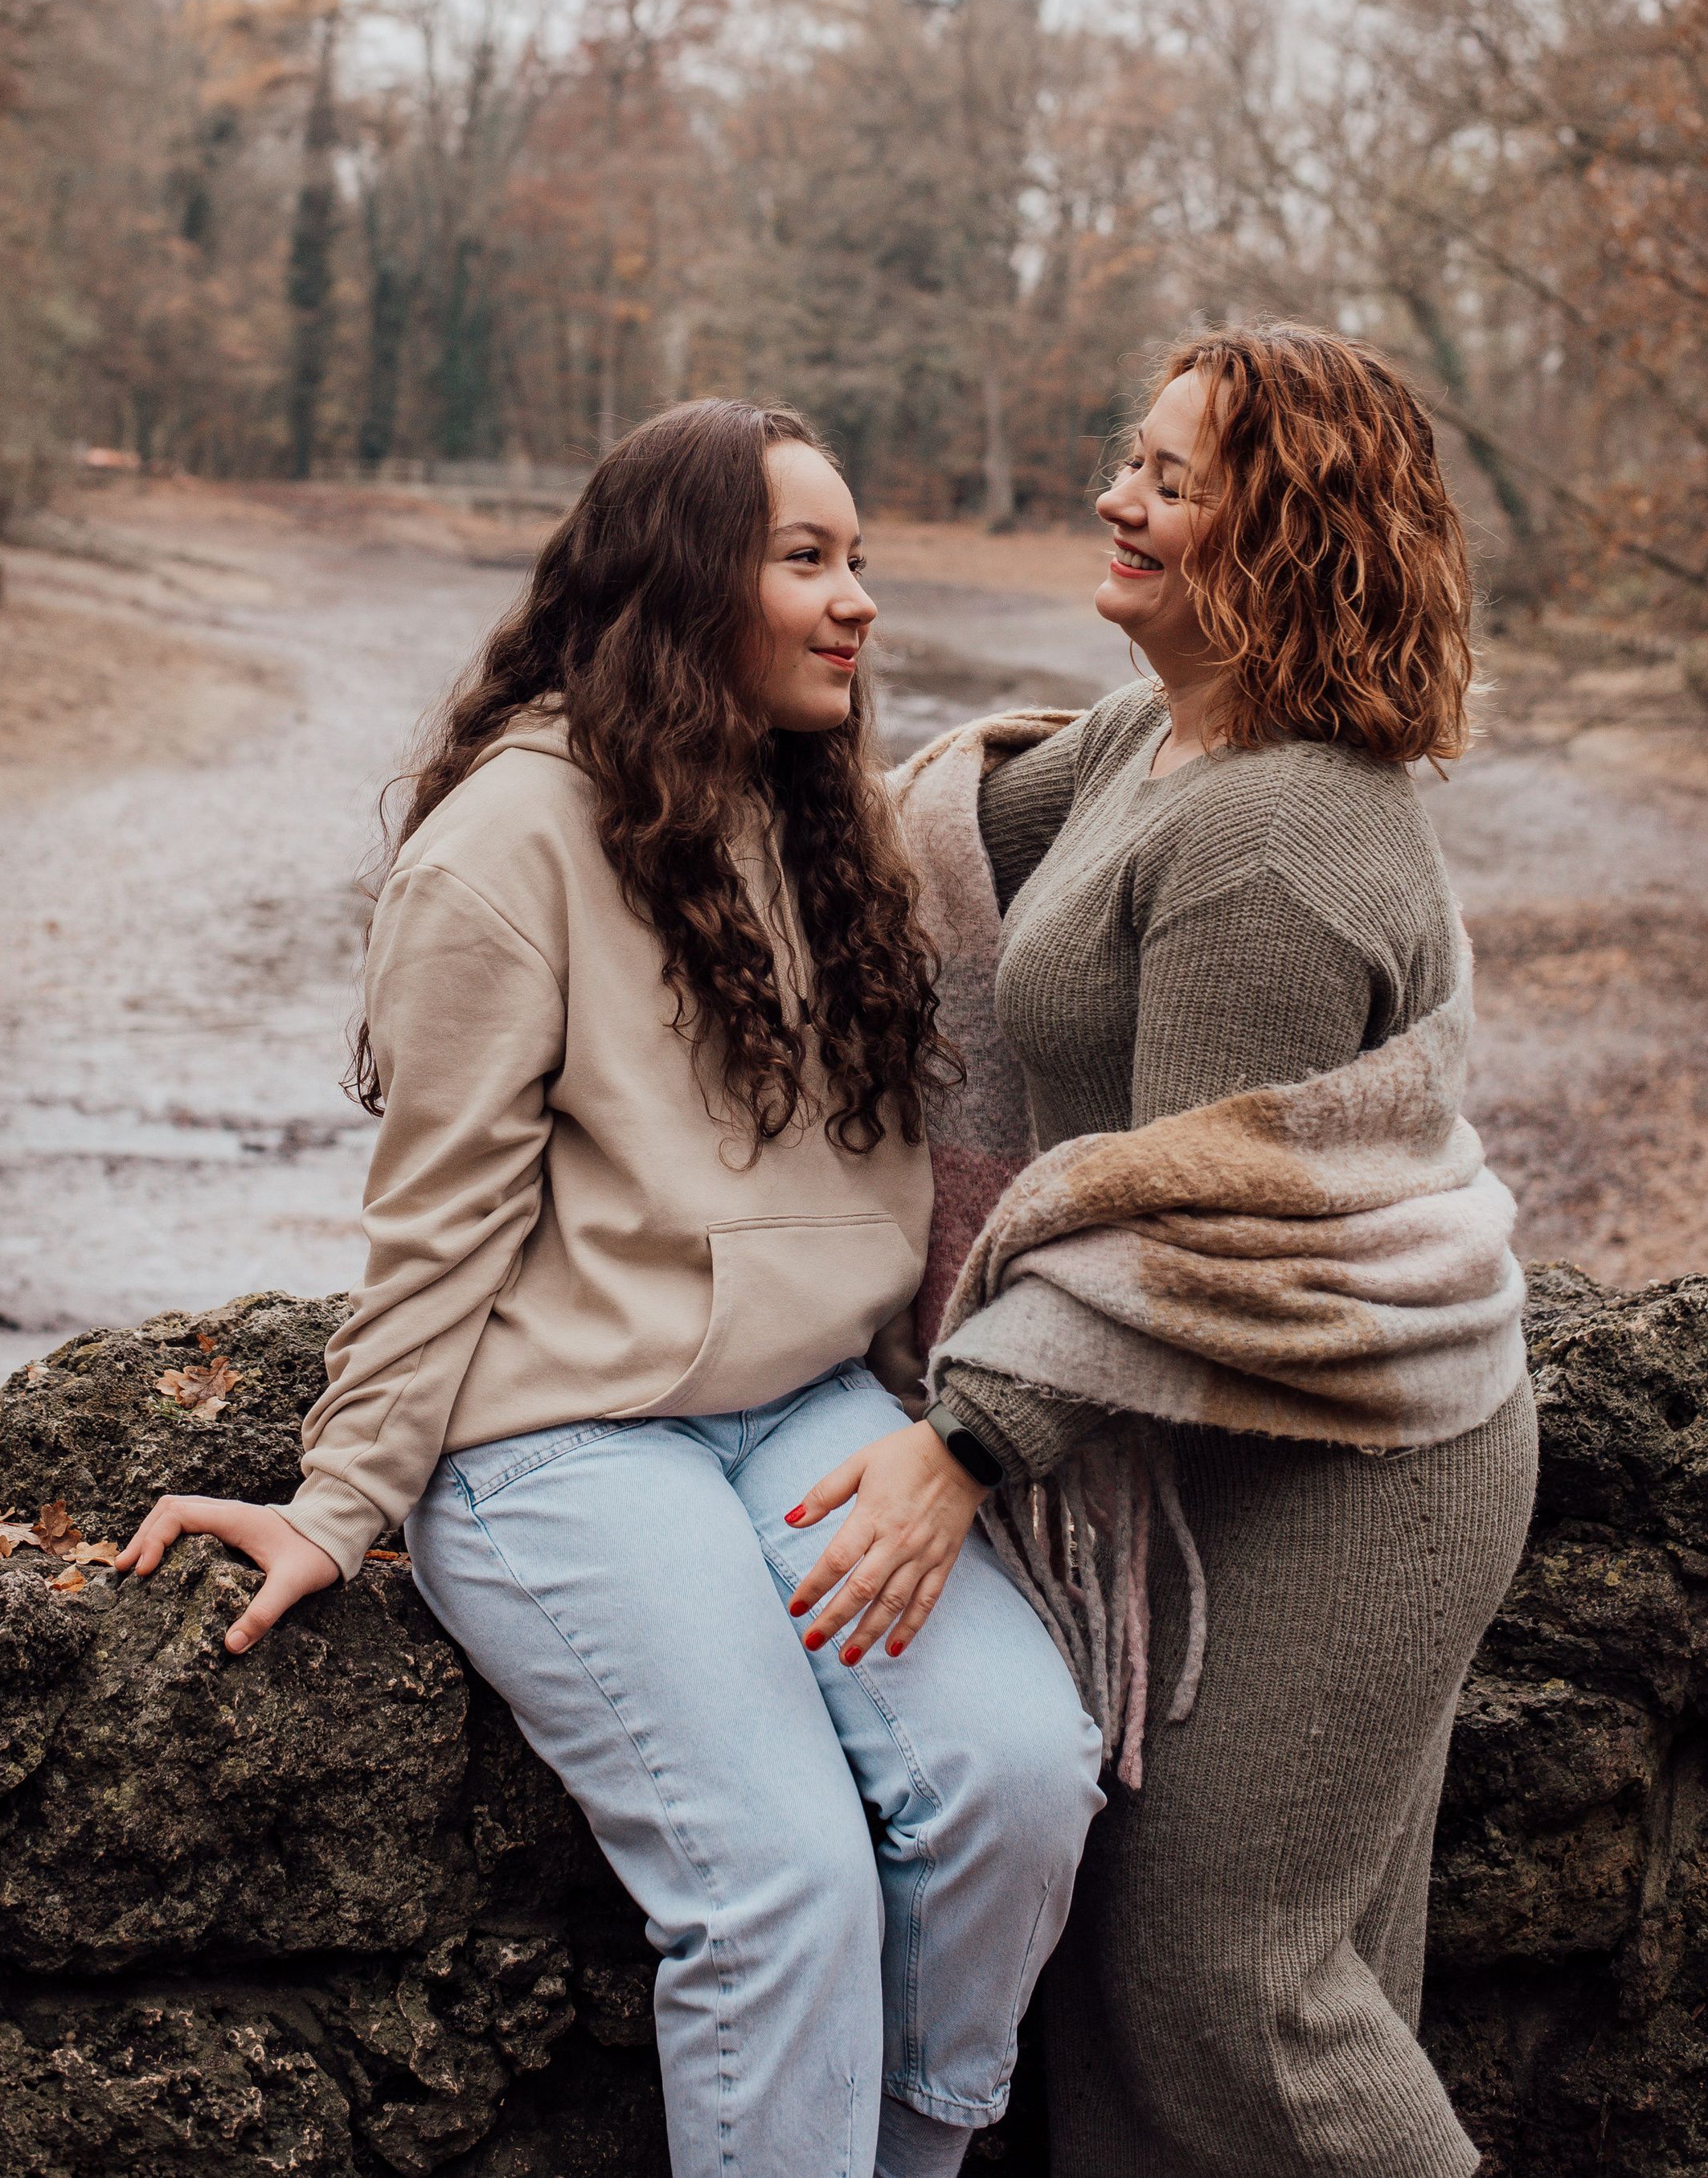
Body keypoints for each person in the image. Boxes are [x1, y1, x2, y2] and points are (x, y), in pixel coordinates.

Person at [120, 398, 1104, 2178]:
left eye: (858, 558)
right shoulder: (503, 847)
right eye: (806, 559)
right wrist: (338, 1506)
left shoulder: (829, 822)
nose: (856, 600)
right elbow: (431, 1230)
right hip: (558, 1442)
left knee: (1021, 1782)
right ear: (675, 586)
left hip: (805, 1412)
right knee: (781, 1886)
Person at [895, 325, 1535, 2178]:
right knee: (1208, 1981)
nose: (1117, 496)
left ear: (1285, 537)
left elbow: (1196, 1238)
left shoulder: (1273, 831)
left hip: (1342, 1471)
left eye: (1170, 482)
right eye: (1130, 455)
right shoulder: (1151, 743)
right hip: (1262, 1427)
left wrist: (958, 1443)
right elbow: (901, 845)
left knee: (1228, 1988)